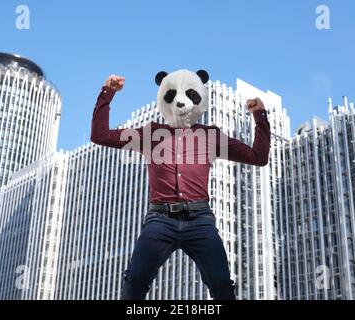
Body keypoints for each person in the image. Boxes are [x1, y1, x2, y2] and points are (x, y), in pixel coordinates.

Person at [91, 71, 271, 300]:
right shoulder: (150, 134)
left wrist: (260, 115)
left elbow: (258, 157)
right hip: (160, 219)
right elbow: (100, 135)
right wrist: (108, 93)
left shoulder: (211, 137)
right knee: (135, 279)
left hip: (200, 220)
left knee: (222, 284)